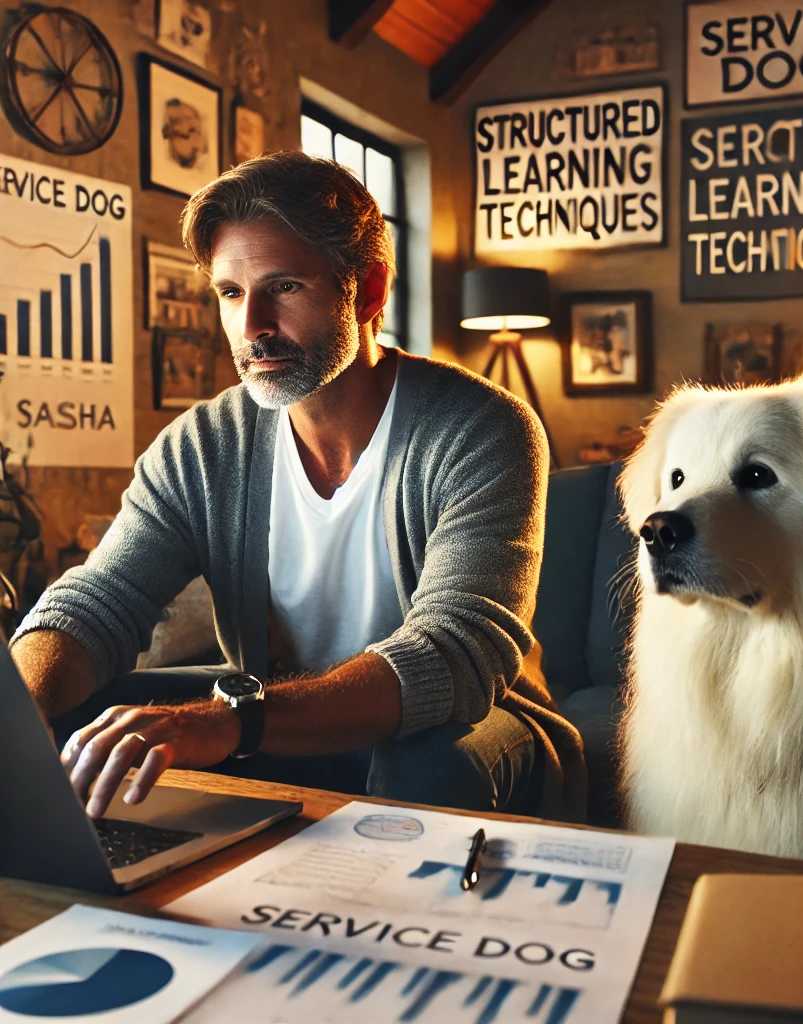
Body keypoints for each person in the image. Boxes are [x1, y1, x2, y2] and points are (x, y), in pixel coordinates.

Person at [10, 151, 586, 824]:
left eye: (283, 288)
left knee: (425, 758)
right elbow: (99, 601)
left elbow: (454, 654)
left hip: (472, 726)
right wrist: (20, 709)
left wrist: (235, 721)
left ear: (367, 292)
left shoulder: (482, 426)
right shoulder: (203, 446)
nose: (252, 325)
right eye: (231, 293)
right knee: (88, 716)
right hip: (279, 717)